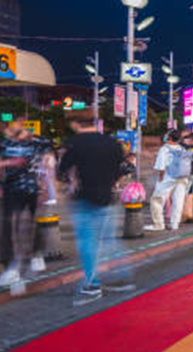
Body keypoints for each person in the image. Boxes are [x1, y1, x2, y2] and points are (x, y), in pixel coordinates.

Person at [58, 115, 134, 305]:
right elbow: (122, 168)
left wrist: (69, 184)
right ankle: (120, 277)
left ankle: (92, 285)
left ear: (76, 124)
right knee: (108, 239)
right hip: (106, 195)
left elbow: (63, 169)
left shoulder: (75, 143)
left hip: (84, 196)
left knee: (87, 242)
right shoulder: (112, 143)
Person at [0, 120, 54, 293]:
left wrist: (47, 188)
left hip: (31, 190)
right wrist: (7, 165)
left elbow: (47, 160)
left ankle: (32, 258)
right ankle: (13, 272)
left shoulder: (36, 143)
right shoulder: (4, 145)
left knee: (27, 226)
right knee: (9, 229)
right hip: (9, 190)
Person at [146, 130, 191, 231]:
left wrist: (161, 178)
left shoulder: (164, 149)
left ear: (168, 137)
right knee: (178, 201)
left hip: (169, 176)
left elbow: (161, 167)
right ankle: (175, 224)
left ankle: (158, 224)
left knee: (157, 199)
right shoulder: (182, 149)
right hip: (182, 177)